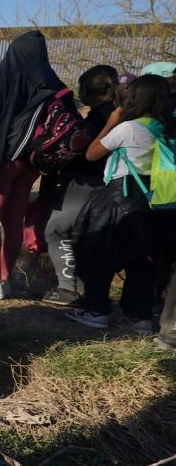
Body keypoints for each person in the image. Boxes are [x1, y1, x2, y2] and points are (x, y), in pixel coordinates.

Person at [0, 30, 65, 301]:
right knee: (14, 219)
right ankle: (5, 277)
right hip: (31, 159)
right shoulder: (53, 83)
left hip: (1, 153)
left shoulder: (9, 77)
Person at [65, 74, 174, 331]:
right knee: (142, 259)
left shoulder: (129, 128)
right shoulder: (168, 127)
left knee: (99, 254)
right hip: (157, 199)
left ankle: (98, 310)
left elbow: (92, 154)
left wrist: (111, 123)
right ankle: (139, 317)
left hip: (120, 196)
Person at [39, 65, 119, 305]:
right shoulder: (121, 112)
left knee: (56, 229)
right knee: (84, 235)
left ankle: (67, 290)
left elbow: (87, 154)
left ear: (88, 91)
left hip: (86, 181)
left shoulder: (99, 117)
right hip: (113, 185)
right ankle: (84, 290)